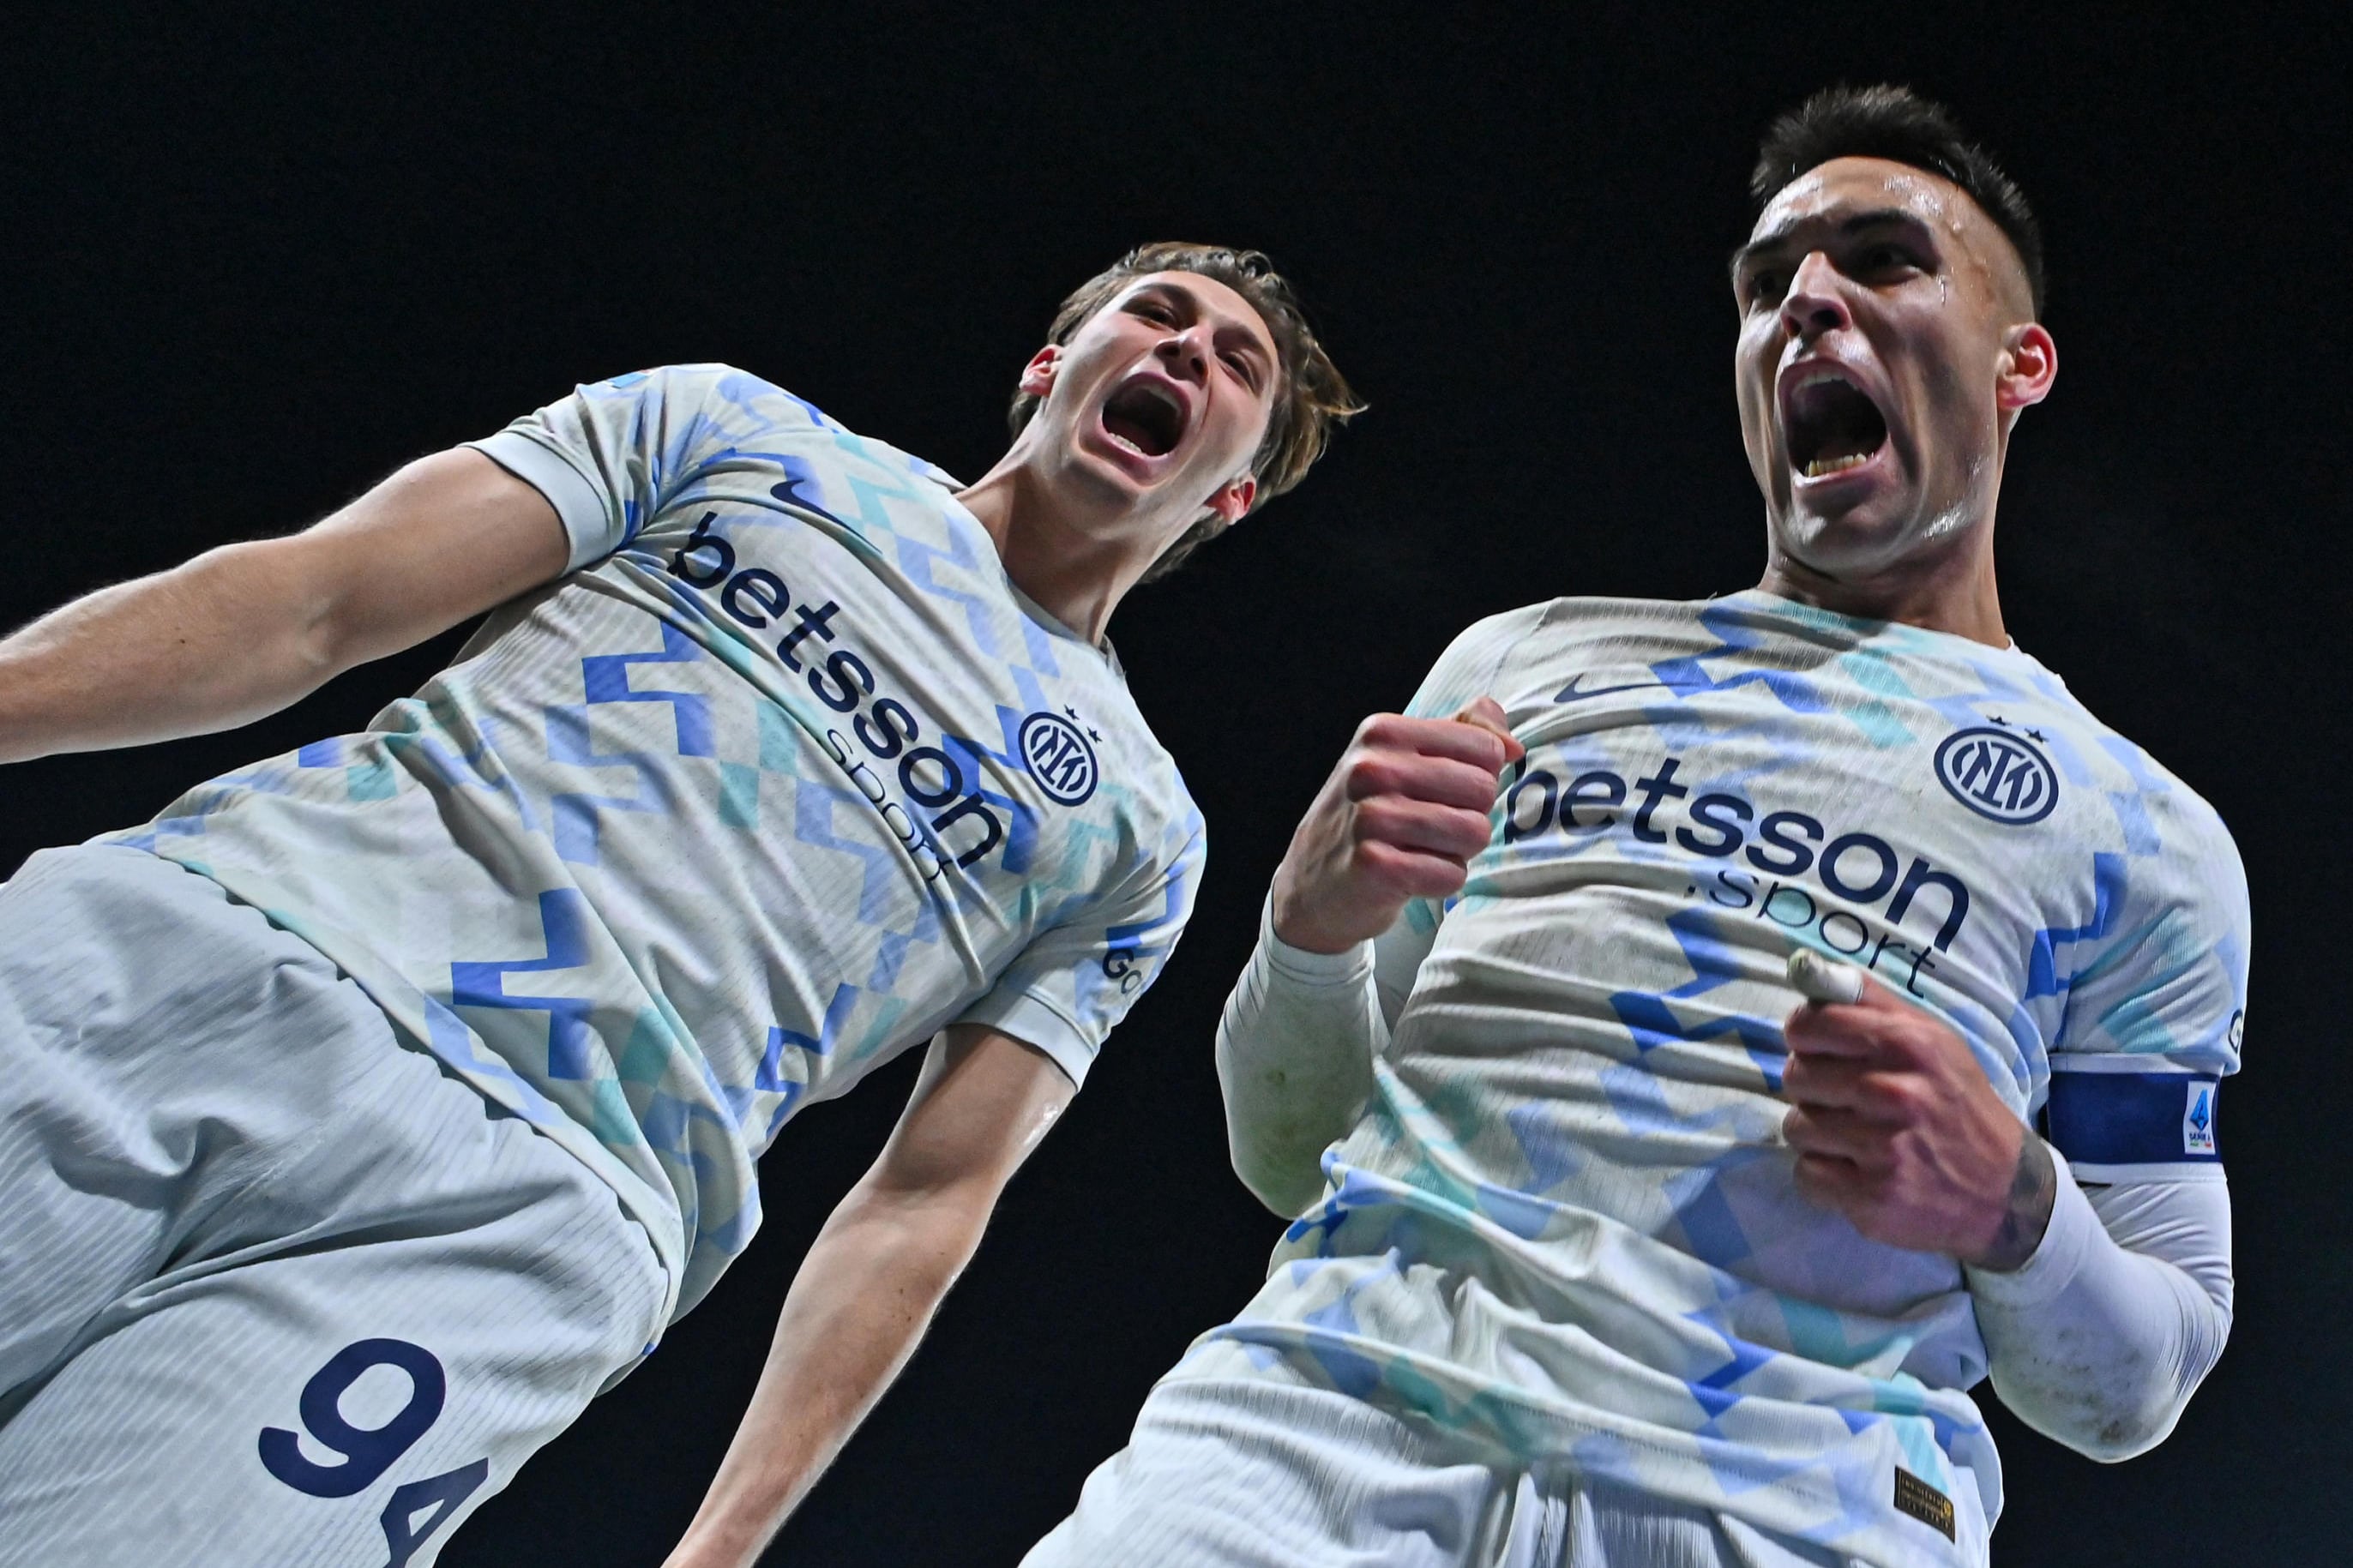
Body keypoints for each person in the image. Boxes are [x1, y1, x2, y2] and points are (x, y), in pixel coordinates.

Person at [1026, 88, 2245, 1568]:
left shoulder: (2145, 837)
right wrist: (1308, 932)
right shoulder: (1525, 664)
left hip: (1793, 1502)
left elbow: (2143, 1379)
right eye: (1766, 284)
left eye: (1885, 260)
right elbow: (1291, 1154)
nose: (1806, 301)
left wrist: (2015, 1202)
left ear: (2019, 363)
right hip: (1314, 1436)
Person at [0, 242, 1357, 1567]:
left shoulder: (1138, 827)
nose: (1188, 348)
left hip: (524, 1219)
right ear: (1055, 365)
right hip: (227, 943)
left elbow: (929, 1193)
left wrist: (727, 1540)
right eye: (1158, 315)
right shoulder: (734, 431)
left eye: (1236, 362)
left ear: (1232, 493)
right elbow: (317, 602)